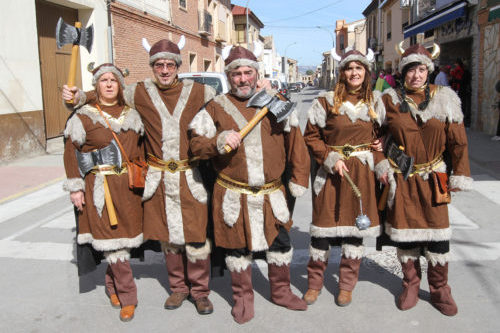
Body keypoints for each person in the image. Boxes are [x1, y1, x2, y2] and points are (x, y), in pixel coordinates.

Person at [63, 37, 217, 315]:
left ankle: (200, 292)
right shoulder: (139, 92)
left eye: (170, 64)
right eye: (159, 65)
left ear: (178, 66)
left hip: (189, 176)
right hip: (156, 177)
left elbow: (230, 102)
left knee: (195, 237)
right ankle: (179, 289)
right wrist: (79, 97)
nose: (165, 69)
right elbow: (109, 93)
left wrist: (262, 89)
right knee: (168, 237)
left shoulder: (200, 92)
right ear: (152, 67)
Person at [189, 45, 310, 324]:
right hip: (233, 193)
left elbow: (296, 145)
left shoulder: (273, 103)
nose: (243, 79)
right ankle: (243, 297)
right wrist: (218, 142)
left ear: (257, 74)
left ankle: (280, 292)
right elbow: (195, 146)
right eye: (237, 74)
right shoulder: (215, 107)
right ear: (229, 77)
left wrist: (299, 178)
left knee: (279, 243)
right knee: (237, 248)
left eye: (248, 73)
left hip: (271, 193)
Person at [376, 43, 472, 316]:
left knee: (438, 237)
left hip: (435, 178)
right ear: (403, 73)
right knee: (406, 237)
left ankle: (440, 289)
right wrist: (380, 162)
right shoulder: (388, 100)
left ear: (428, 71)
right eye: (411, 70)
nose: (416, 76)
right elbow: (372, 139)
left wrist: (461, 174)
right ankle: (411, 285)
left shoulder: (446, 98)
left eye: (421, 69)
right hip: (403, 180)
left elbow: (459, 142)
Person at [302, 48, 384, 306]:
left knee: (354, 231)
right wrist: (330, 158)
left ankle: (347, 286)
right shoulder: (325, 102)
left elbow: (388, 133)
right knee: (321, 232)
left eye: (359, 68)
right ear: (342, 73)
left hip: (361, 174)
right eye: (349, 68)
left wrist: (382, 143)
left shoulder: (376, 103)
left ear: (366, 73)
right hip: (331, 174)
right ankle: (314, 284)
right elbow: (311, 137)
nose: (354, 73)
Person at [63, 63, 144, 322]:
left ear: (120, 85)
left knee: (122, 243)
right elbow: (70, 155)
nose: (109, 84)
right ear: (96, 85)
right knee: (113, 243)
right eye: (103, 80)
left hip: (129, 190)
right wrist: (75, 188)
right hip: (100, 189)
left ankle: (112, 286)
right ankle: (129, 297)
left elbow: (141, 151)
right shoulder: (84, 115)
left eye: (113, 80)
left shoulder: (133, 114)